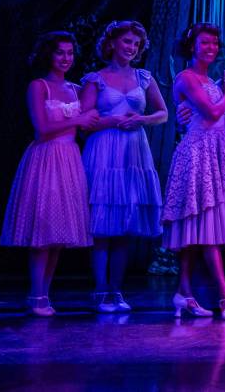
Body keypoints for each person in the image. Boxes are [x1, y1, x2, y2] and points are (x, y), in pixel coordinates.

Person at [0, 31, 100, 317]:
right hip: (45, 157)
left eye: (70, 53)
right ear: (49, 55)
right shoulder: (39, 86)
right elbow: (42, 128)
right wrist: (78, 119)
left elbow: (90, 121)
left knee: (59, 234)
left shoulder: (75, 88)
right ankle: (35, 294)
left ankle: (44, 292)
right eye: (60, 52)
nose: (66, 58)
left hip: (69, 158)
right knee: (42, 229)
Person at [79, 21, 168, 312]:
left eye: (135, 43)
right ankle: (100, 291)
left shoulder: (144, 77)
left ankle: (116, 291)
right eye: (127, 41)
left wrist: (142, 119)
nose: (131, 47)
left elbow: (163, 113)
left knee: (124, 225)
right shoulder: (96, 79)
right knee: (103, 225)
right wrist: (112, 121)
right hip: (105, 149)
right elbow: (83, 122)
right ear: (113, 43)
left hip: (133, 150)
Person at [162, 24, 225, 320]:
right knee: (207, 228)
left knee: (195, 227)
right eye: (205, 42)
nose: (211, 48)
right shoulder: (186, 77)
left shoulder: (209, 80)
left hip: (213, 152)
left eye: (215, 43)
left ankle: (183, 292)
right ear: (192, 46)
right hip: (196, 154)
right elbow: (213, 112)